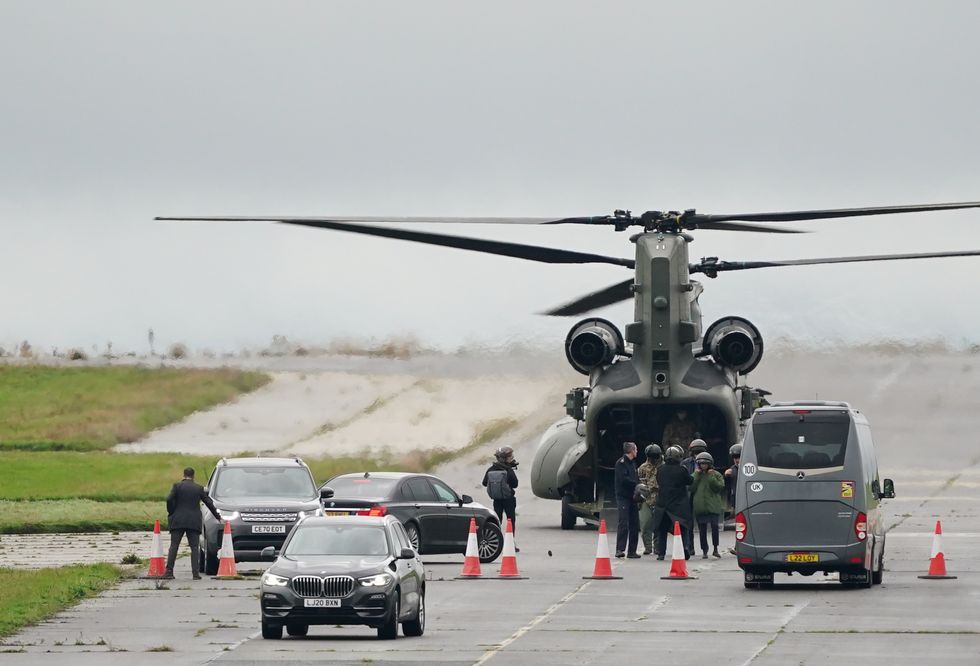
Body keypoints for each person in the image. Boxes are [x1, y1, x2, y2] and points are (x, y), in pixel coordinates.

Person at [165, 467, 221, 580]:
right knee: (194, 547)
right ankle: (195, 574)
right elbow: (209, 503)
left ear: (184, 475)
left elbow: (169, 499)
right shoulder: (199, 488)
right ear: (193, 476)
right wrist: (218, 516)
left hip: (178, 519)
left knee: (174, 546)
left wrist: (171, 512)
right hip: (193, 521)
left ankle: (169, 572)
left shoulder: (177, 486)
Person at [651, 445, 694, 560]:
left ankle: (661, 553)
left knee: (662, 530)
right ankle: (685, 547)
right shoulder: (682, 470)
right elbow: (690, 481)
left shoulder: (660, 470)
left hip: (663, 504)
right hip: (679, 504)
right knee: (683, 527)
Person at [482, 446, 520, 551]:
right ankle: (511, 542)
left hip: (497, 500)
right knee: (510, 520)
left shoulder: (491, 469)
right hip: (509, 500)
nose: (511, 458)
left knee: (497, 520)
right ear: (503, 458)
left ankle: (494, 541)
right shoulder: (508, 470)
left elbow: (484, 483)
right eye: (509, 456)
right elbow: (515, 484)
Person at [691, 452, 726, 558]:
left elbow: (719, 487)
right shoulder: (695, 475)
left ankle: (715, 548)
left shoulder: (716, 474)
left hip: (713, 506)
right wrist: (696, 475)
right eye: (701, 464)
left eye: (705, 464)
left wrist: (711, 477)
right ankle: (704, 550)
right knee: (702, 529)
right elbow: (691, 487)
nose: (703, 466)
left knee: (715, 527)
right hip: (700, 507)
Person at [613, 441, 641, 558]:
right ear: (631, 451)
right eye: (636, 450)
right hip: (623, 497)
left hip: (632, 497)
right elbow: (624, 480)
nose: (637, 452)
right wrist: (637, 484)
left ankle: (632, 551)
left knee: (635, 524)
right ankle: (620, 549)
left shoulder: (632, 463)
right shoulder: (621, 463)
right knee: (623, 522)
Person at [637, 444, 663, 555]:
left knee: (659, 525)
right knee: (645, 523)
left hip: (659, 498)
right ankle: (648, 546)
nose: (652, 459)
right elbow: (639, 481)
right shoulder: (643, 468)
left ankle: (657, 546)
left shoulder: (664, 467)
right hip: (646, 498)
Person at [724, 442, 742, 512]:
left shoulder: (748, 468)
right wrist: (725, 476)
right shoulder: (731, 469)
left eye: (738, 457)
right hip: (734, 500)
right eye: (734, 457)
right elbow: (726, 486)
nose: (736, 460)